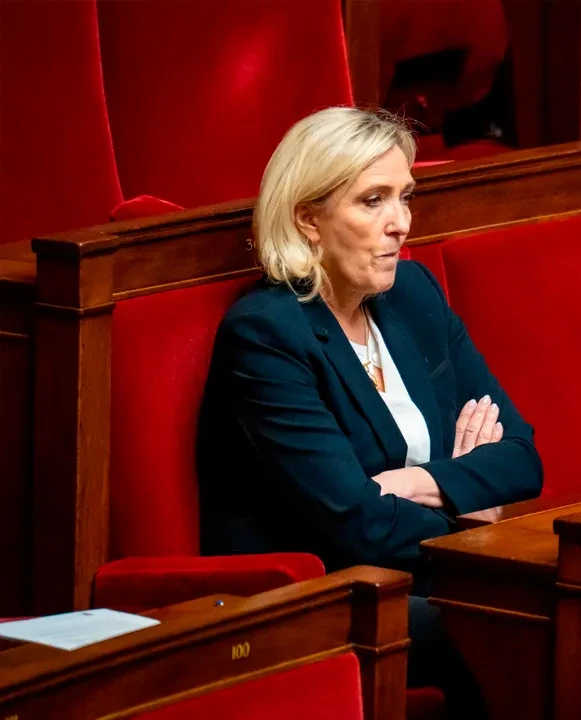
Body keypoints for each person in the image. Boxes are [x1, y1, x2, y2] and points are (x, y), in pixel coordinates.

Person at [196, 107, 541, 718]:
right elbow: (355, 522)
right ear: (308, 218)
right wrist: (469, 512)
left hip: (415, 575)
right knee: (517, 622)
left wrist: (418, 482)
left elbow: (520, 458)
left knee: (554, 605)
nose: (400, 223)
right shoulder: (266, 334)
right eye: (373, 200)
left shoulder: (412, 294)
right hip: (320, 596)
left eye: (405, 197)